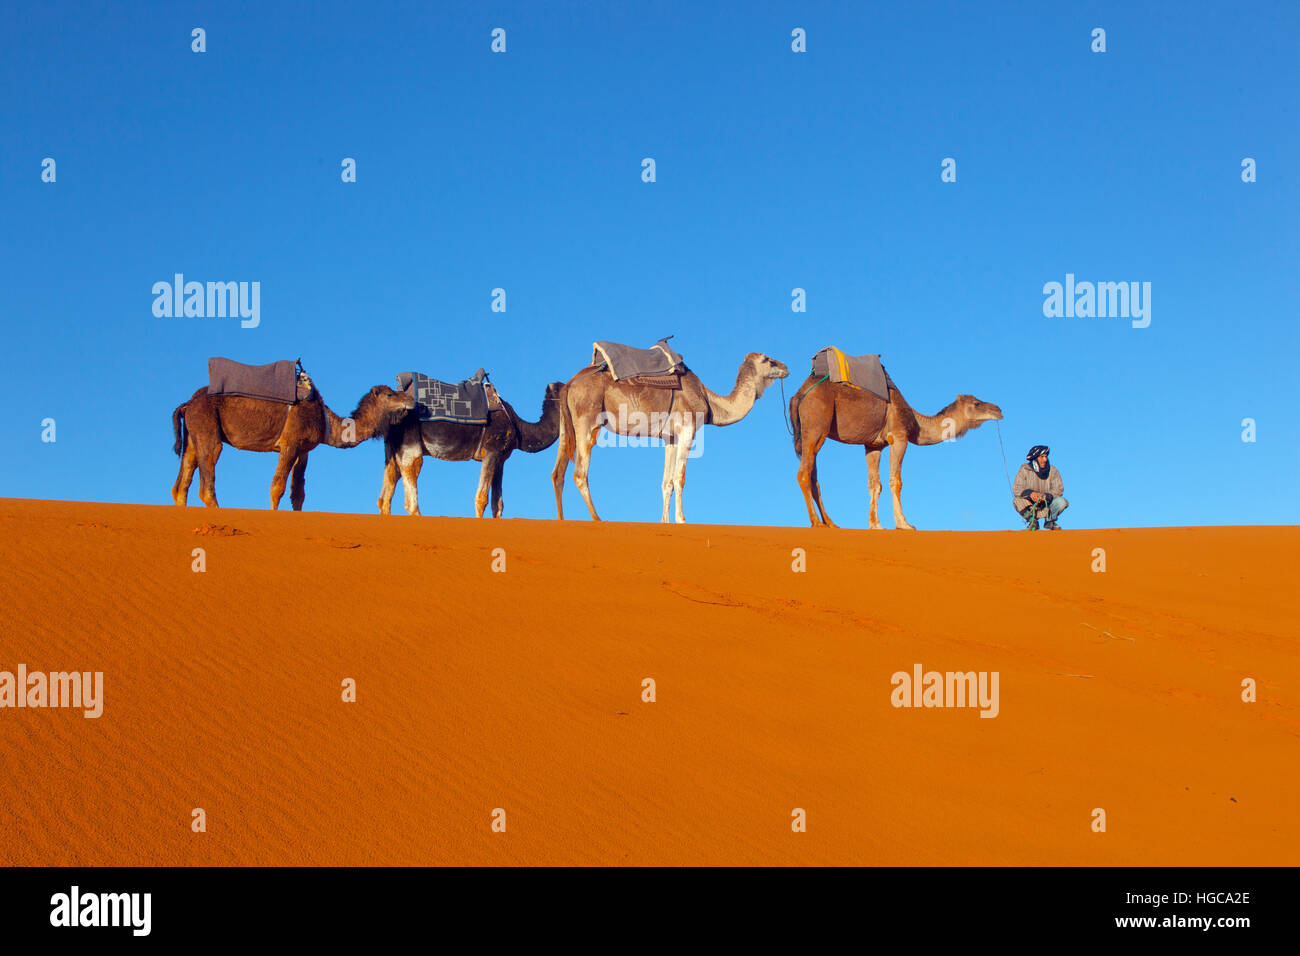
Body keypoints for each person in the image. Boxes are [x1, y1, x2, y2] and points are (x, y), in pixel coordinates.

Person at [1013, 445, 1068, 530]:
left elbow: (1059, 489)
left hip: (1047, 504)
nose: (1045, 460)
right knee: (1017, 501)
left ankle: (1050, 521)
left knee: (1062, 502)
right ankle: (1032, 522)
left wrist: (1046, 496)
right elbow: (1017, 488)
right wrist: (1030, 494)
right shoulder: (1024, 469)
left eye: (1046, 457)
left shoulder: (1053, 470)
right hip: (1030, 505)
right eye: (1042, 457)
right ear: (1035, 458)